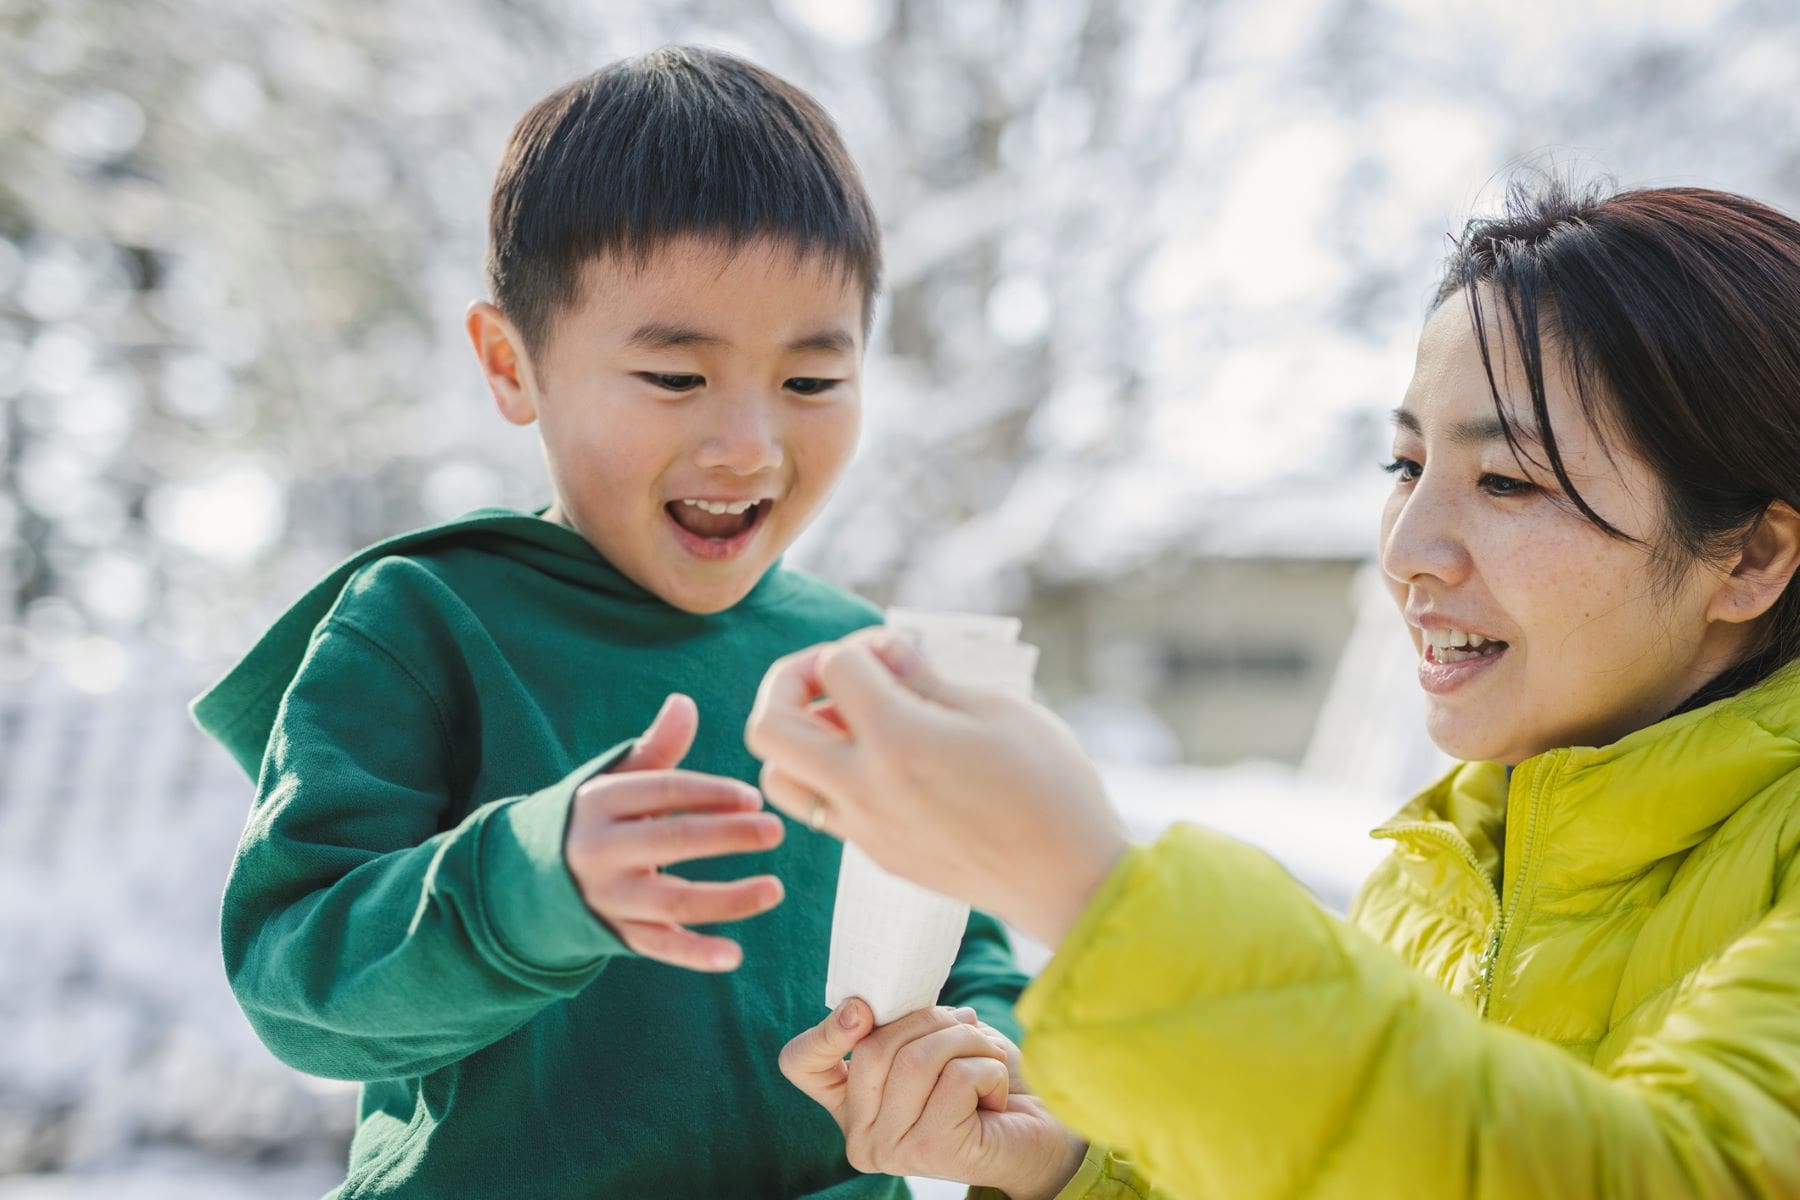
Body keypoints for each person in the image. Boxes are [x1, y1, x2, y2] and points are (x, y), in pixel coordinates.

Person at [749, 182, 1800, 1198]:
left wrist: (1098, 893)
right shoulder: (1443, 876)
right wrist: (1077, 1167)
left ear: (1750, 555)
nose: (1410, 551)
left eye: (1509, 481)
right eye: (1404, 465)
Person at [190, 47, 1039, 1199]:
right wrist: (534, 884)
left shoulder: (861, 662)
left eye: (810, 382)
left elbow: (969, 944)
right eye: (677, 380)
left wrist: (979, 1050)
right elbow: (300, 985)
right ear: (511, 363)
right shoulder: (426, 625)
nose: (749, 444)